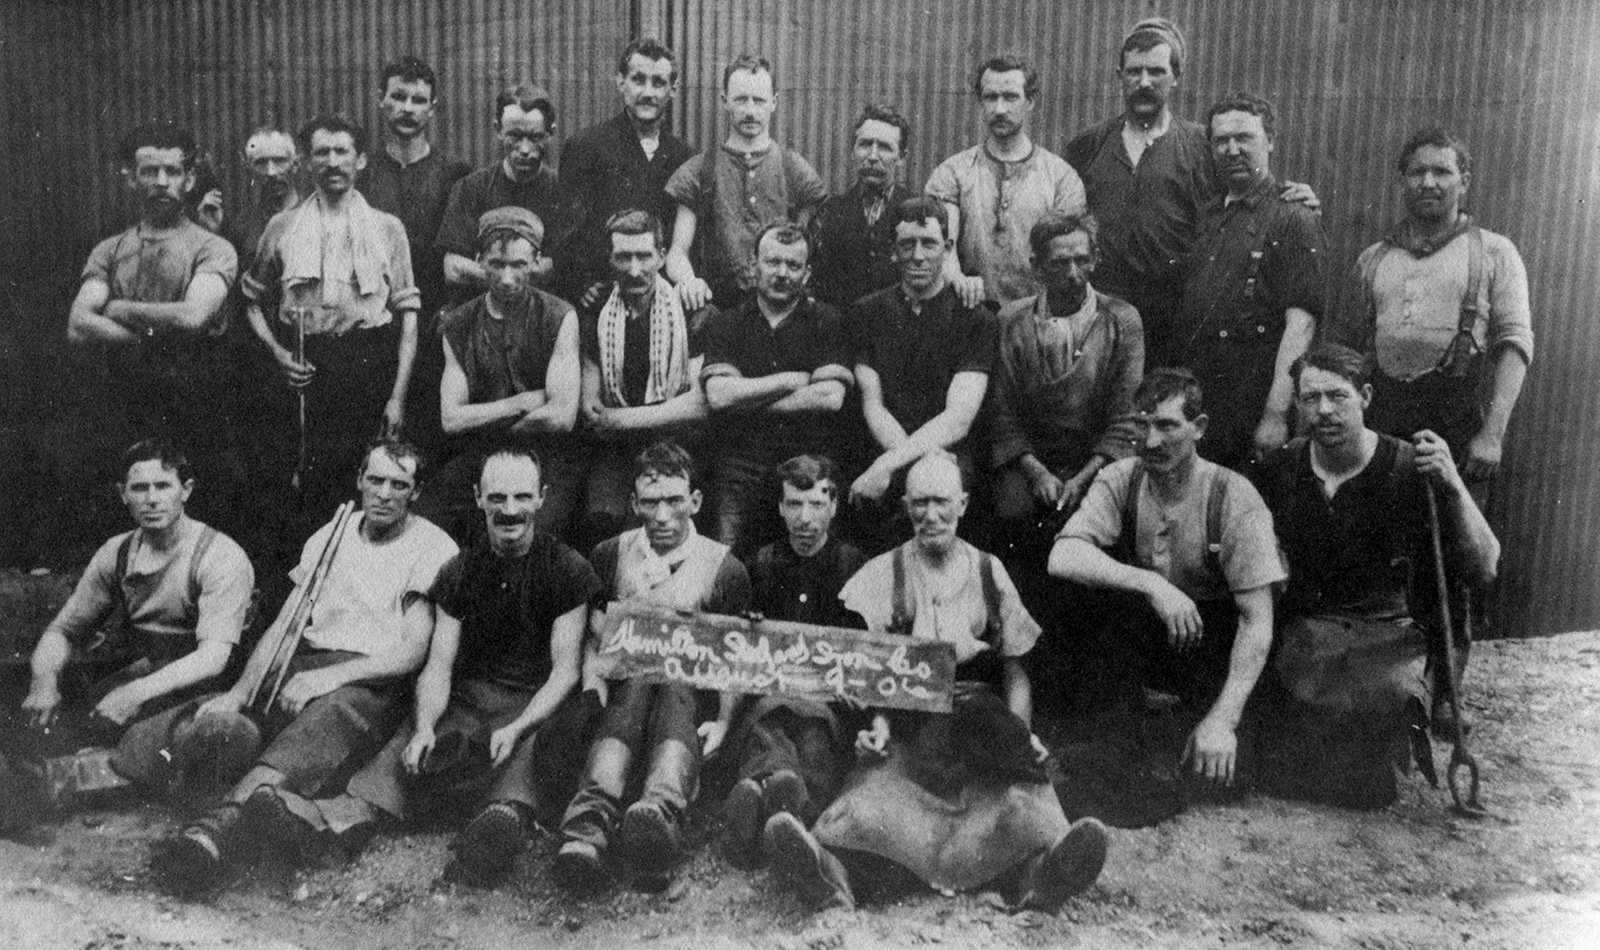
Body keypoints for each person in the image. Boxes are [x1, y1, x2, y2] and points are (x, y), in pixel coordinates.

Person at [765, 451, 1108, 912]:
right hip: (912, 733)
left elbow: (1016, 670)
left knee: (1021, 808)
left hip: (983, 732)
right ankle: (829, 877)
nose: (930, 515)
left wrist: (1020, 732)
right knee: (863, 812)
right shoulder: (883, 574)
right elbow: (877, 675)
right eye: (919, 503)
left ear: (963, 505)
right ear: (905, 506)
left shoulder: (990, 572)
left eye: (942, 502)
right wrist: (879, 728)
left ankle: (1041, 879)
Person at [145, 437, 458, 893]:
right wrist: (240, 693)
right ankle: (105, 773)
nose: (385, 494)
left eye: (399, 484)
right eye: (375, 480)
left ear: (416, 492)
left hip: (370, 679)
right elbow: (285, 627)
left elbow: (411, 651)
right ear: (359, 481)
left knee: (321, 723)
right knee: (216, 713)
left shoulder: (432, 547)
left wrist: (328, 677)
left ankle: (214, 832)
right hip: (308, 662)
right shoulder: (329, 536)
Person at [302, 449, 599, 884]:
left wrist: (517, 727)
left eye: (522, 497)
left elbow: (565, 673)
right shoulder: (459, 570)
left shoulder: (568, 569)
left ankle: (500, 826)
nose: (510, 510)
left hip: (534, 702)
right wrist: (424, 727)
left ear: (541, 499)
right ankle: (330, 823)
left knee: (528, 754)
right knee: (410, 752)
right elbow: (439, 665)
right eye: (496, 497)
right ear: (478, 499)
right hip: (470, 697)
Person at [1333, 128, 1533, 717]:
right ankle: (1383, 684)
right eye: (1417, 172)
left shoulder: (1494, 252)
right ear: (1401, 181)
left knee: (1451, 557)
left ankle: (1446, 687)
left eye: (1442, 172)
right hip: (1385, 417)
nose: (1428, 183)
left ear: (1463, 181)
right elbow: (1347, 352)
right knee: (1382, 552)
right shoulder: (1375, 259)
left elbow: (1515, 344)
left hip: (1456, 421)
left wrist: (1492, 432)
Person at [1255, 345, 1499, 808]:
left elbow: (1484, 565)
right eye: (1310, 399)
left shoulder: (1408, 466)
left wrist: (1453, 485)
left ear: (1365, 396)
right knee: (1271, 751)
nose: (1323, 410)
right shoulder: (1285, 467)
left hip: (1388, 638)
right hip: (1309, 635)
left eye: (1337, 396)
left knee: (1366, 770)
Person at [1047, 369, 1282, 822]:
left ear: (1200, 428)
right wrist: (1152, 584)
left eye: (1168, 426)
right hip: (1153, 627)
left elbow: (1257, 619)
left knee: (1221, 779)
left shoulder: (1235, 497)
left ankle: (1178, 737)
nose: (1151, 441)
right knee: (1109, 605)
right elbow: (1064, 555)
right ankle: (1110, 751)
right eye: (1142, 424)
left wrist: (1223, 720)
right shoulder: (1122, 477)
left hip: (1214, 640)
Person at [1, 440, 253, 825]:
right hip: (149, 675)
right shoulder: (117, 552)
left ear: (186, 490)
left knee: (173, 740)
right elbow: (64, 630)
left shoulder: (219, 556)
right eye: (139, 488)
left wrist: (133, 694)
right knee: (50, 718)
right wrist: (43, 680)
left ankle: (47, 787)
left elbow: (214, 657)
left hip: (210, 686)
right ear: (123, 495)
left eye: (163, 486)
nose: (151, 499)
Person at [554, 442, 751, 892]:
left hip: (688, 693)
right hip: (626, 688)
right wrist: (593, 682)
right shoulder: (610, 554)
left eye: (674, 501)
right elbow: (593, 631)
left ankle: (659, 812)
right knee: (634, 693)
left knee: (675, 692)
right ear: (634, 504)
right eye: (650, 502)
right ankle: (589, 823)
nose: (662, 516)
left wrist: (724, 719)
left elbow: (733, 657)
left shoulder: (724, 568)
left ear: (695, 502)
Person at [1063, 19, 1318, 366]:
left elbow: (1246, 190)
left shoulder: (1201, 144)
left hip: (1175, 317)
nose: (1144, 82)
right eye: (1134, 72)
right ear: (1120, 74)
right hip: (1103, 314)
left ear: (1176, 77)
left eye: (1156, 71)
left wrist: (1294, 195)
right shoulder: (1089, 144)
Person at [241, 115, 422, 524]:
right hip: (304, 366)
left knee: (367, 478)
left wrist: (397, 396)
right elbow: (251, 300)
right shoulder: (283, 227)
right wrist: (277, 352)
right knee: (305, 480)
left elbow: (408, 319)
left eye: (342, 152)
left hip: (366, 366)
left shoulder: (387, 229)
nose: (332, 161)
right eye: (321, 152)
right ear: (306, 162)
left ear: (360, 161)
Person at [68, 123, 242, 534]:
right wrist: (151, 337)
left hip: (196, 395)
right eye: (150, 171)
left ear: (190, 179)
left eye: (173, 171)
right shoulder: (109, 250)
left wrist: (118, 307)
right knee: (131, 501)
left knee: (202, 501)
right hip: (128, 395)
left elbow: (193, 317)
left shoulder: (213, 248)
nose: (162, 182)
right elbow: (78, 324)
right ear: (131, 177)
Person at [717, 454, 866, 866]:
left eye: (816, 505)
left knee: (816, 741)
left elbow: (869, 652)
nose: (804, 518)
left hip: (827, 702)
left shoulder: (853, 566)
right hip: (772, 696)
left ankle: (781, 813)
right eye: (795, 505)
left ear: (834, 507)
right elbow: (740, 646)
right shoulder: (762, 564)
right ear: (781, 507)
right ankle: (764, 798)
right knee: (768, 732)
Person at [1172, 93, 1325, 472]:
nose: (1232, 149)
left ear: (1270, 140)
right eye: (1221, 140)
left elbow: (1301, 325)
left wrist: (1275, 415)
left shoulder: (1293, 217)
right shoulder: (1209, 215)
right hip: (1204, 404)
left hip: (1254, 405)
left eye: (1245, 138)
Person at [422, 207, 581, 544]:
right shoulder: (457, 324)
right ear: (479, 261)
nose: (507, 278)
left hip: (545, 454)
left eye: (519, 265)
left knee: (541, 535)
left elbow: (561, 417)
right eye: (497, 264)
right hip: (480, 456)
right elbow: (451, 420)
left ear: (536, 263)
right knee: (429, 522)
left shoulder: (559, 316)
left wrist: (482, 418)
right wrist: (523, 401)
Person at [846, 197, 998, 546]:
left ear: (947, 248)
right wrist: (908, 461)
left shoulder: (976, 318)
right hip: (886, 444)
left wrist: (893, 465)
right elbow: (873, 403)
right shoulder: (866, 313)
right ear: (892, 251)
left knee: (941, 492)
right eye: (907, 244)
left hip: (951, 452)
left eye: (929, 243)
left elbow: (959, 417)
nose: (917, 255)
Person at [700, 223, 853, 556]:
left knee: (817, 559)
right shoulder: (727, 322)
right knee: (724, 562)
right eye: (773, 262)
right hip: (742, 461)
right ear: (755, 265)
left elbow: (829, 397)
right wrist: (789, 380)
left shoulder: (827, 321)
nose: (782, 273)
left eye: (793, 265)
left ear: (808, 272)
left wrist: (748, 398)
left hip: (809, 458)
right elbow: (718, 395)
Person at [989, 211, 1143, 542]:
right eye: (1059, 263)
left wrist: (1083, 478)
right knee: (1013, 516)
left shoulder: (1122, 320)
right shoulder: (1012, 321)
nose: (1073, 274)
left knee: (1104, 522)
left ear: (1095, 260)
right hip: (1028, 462)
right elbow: (1002, 413)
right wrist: (1037, 473)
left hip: (1098, 461)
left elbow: (1125, 417)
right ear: (1037, 266)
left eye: (1082, 260)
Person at [359, 55, 474, 459]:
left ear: (433, 107)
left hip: (435, 330)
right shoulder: (362, 173)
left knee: (428, 443)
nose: (408, 108)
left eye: (418, 99)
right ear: (381, 101)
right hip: (374, 330)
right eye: (399, 97)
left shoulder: (457, 175)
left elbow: (462, 255)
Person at [578, 210, 710, 551]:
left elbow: (697, 405)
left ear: (662, 257)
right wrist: (615, 422)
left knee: (664, 520)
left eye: (644, 256)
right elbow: (592, 407)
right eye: (623, 257)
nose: (634, 269)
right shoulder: (596, 310)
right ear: (610, 259)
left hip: (675, 441)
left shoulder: (692, 312)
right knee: (603, 524)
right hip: (616, 449)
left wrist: (622, 419)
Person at [665, 54, 826, 311]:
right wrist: (688, 281)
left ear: (773, 103)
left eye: (759, 101)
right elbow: (677, 252)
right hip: (718, 311)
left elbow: (808, 251)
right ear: (725, 100)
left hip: (780, 309)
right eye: (741, 100)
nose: (751, 111)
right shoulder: (699, 170)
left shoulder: (795, 170)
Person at [926, 55, 1086, 307]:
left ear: (1030, 101)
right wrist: (959, 280)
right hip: (970, 314)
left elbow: (1064, 259)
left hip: (1037, 319)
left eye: (1010, 97)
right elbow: (944, 246)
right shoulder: (953, 172)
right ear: (980, 102)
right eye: (991, 97)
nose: (999, 109)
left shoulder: (1060, 177)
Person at [559, 39, 695, 309]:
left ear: (673, 89)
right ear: (621, 82)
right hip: (602, 295)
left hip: (664, 298)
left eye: (658, 83)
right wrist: (578, 284)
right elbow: (567, 229)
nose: (648, 92)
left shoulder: (684, 156)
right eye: (638, 80)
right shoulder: (587, 147)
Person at [437, 83, 564, 301]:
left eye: (535, 137)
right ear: (497, 130)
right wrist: (522, 273)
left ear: (550, 134)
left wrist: (488, 270)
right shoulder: (470, 188)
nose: (524, 149)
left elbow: (558, 270)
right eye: (514, 136)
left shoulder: (563, 192)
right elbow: (453, 269)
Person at [808, 104, 913, 309]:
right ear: (853, 151)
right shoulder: (829, 212)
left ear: (901, 157)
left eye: (884, 147)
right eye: (865, 144)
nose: (873, 156)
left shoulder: (915, 212)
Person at [229, 127, 302, 270]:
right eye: (261, 163)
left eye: (279, 161)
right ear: (249, 169)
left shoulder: (315, 213)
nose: (270, 172)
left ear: (295, 165)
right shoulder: (242, 227)